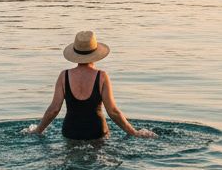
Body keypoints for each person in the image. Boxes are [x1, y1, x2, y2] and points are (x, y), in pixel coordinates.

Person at [26, 30, 156, 140]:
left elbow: (53, 109)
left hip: (71, 132)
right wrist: (134, 132)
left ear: (75, 52)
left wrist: (37, 131)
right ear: (96, 53)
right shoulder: (102, 77)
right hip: (97, 132)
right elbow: (113, 112)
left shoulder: (63, 76)